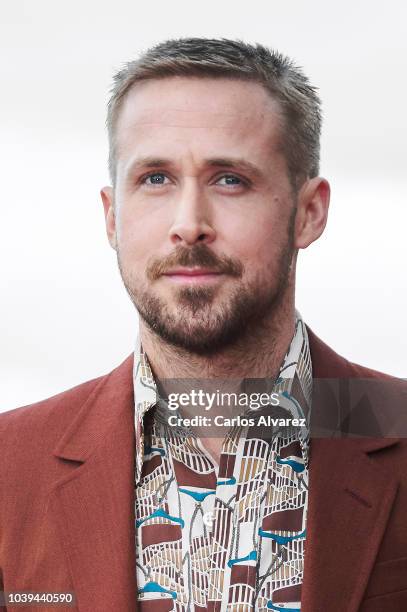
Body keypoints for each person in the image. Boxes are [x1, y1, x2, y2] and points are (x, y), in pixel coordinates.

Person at [1, 38, 406, 612]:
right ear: (113, 216)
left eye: (230, 179)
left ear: (308, 212)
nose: (189, 225)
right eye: (156, 179)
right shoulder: (8, 465)